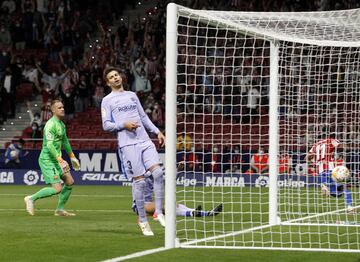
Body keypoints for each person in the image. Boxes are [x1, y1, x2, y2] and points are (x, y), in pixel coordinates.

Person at [101, 67, 165, 236]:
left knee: (158, 173)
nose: (115, 78)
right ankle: (143, 221)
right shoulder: (107, 100)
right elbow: (106, 125)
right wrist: (124, 125)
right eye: (111, 77)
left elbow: (143, 117)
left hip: (144, 140)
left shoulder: (132, 95)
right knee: (141, 182)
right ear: (108, 82)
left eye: (116, 75)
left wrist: (157, 132)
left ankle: (158, 212)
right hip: (128, 145)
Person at [24, 99, 80, 217]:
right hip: (47, 160)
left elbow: (65, 141)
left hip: (56, 159)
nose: (62, 109)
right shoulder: (50, 125)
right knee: (57, 189)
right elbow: (49, 145)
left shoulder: (61, 124)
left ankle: (59, 210)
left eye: (63, 107)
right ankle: (31, 199)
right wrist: (60, 160)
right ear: (53, 110)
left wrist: (72, 157)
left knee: (69, 182)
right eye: (59, 108)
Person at [132, 173, 223, 218]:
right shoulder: (140, 175)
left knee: (176, 206)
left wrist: (178, 170)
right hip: (140, 205)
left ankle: (205, 213)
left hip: (149, 204)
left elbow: (170, 179)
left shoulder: (153, 176)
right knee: (169, 205)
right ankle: (194, 212)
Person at [307, 133, 354, 213]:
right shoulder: (329, 141)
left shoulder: (315, 145)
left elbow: (307, 158)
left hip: (320, 172)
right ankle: (350, 207)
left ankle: (324, 184)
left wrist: (315, 162)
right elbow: (340, 145)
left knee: (337, 194)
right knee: (345, 189)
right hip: (331, 170)